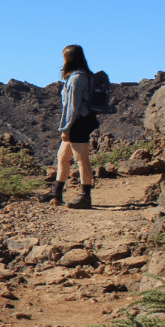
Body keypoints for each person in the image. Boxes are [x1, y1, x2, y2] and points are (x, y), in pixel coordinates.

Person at [46, 45, 99, 209]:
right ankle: (56, 193)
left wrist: (66, 129)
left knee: (81, 159)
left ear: (69, 58)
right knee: (62, 157)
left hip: (78, 122)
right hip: (79, 120)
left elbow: (72, 107)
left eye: (64, 57)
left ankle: (85, 197)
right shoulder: (79, 76)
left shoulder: (77, 78)